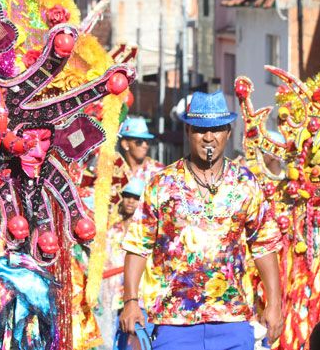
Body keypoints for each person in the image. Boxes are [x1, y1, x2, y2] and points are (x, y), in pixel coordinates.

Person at [119, 90, 283, 350]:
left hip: (233, 319)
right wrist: (130, 302)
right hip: (174, 322)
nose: (209, 137)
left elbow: (265, 244)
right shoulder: (162, 184)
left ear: (228, 132)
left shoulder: (245, 183)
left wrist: (274, 304)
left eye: (216, 129)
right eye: (200, 129)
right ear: (188, 132)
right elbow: (138, 245)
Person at [97, 179, 148, 350]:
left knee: (138, 341)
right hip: (113, 297)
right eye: (127, 196)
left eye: (135, 198)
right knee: (114, 342)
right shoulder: (112, 230)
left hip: (139, 297)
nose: (131, 201)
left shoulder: (146, 231)